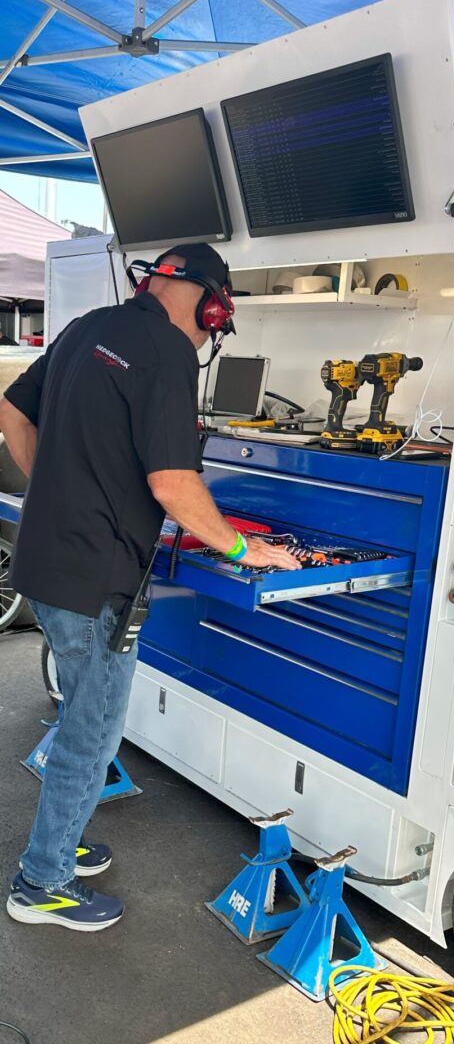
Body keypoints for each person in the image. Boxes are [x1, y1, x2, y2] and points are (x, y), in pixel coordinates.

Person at [0, 242, 300, 932]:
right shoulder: (167, 352)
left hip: (46, 561)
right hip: (96, 576)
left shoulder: (89, 327)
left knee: (83, 709)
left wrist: (57, 492)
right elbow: (172, 483)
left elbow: (13, 413)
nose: (207, 334)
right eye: (213, 321)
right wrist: (241, 546)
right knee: (93, 729)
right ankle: (41, 883)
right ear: (210, 302)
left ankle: (62, 844)